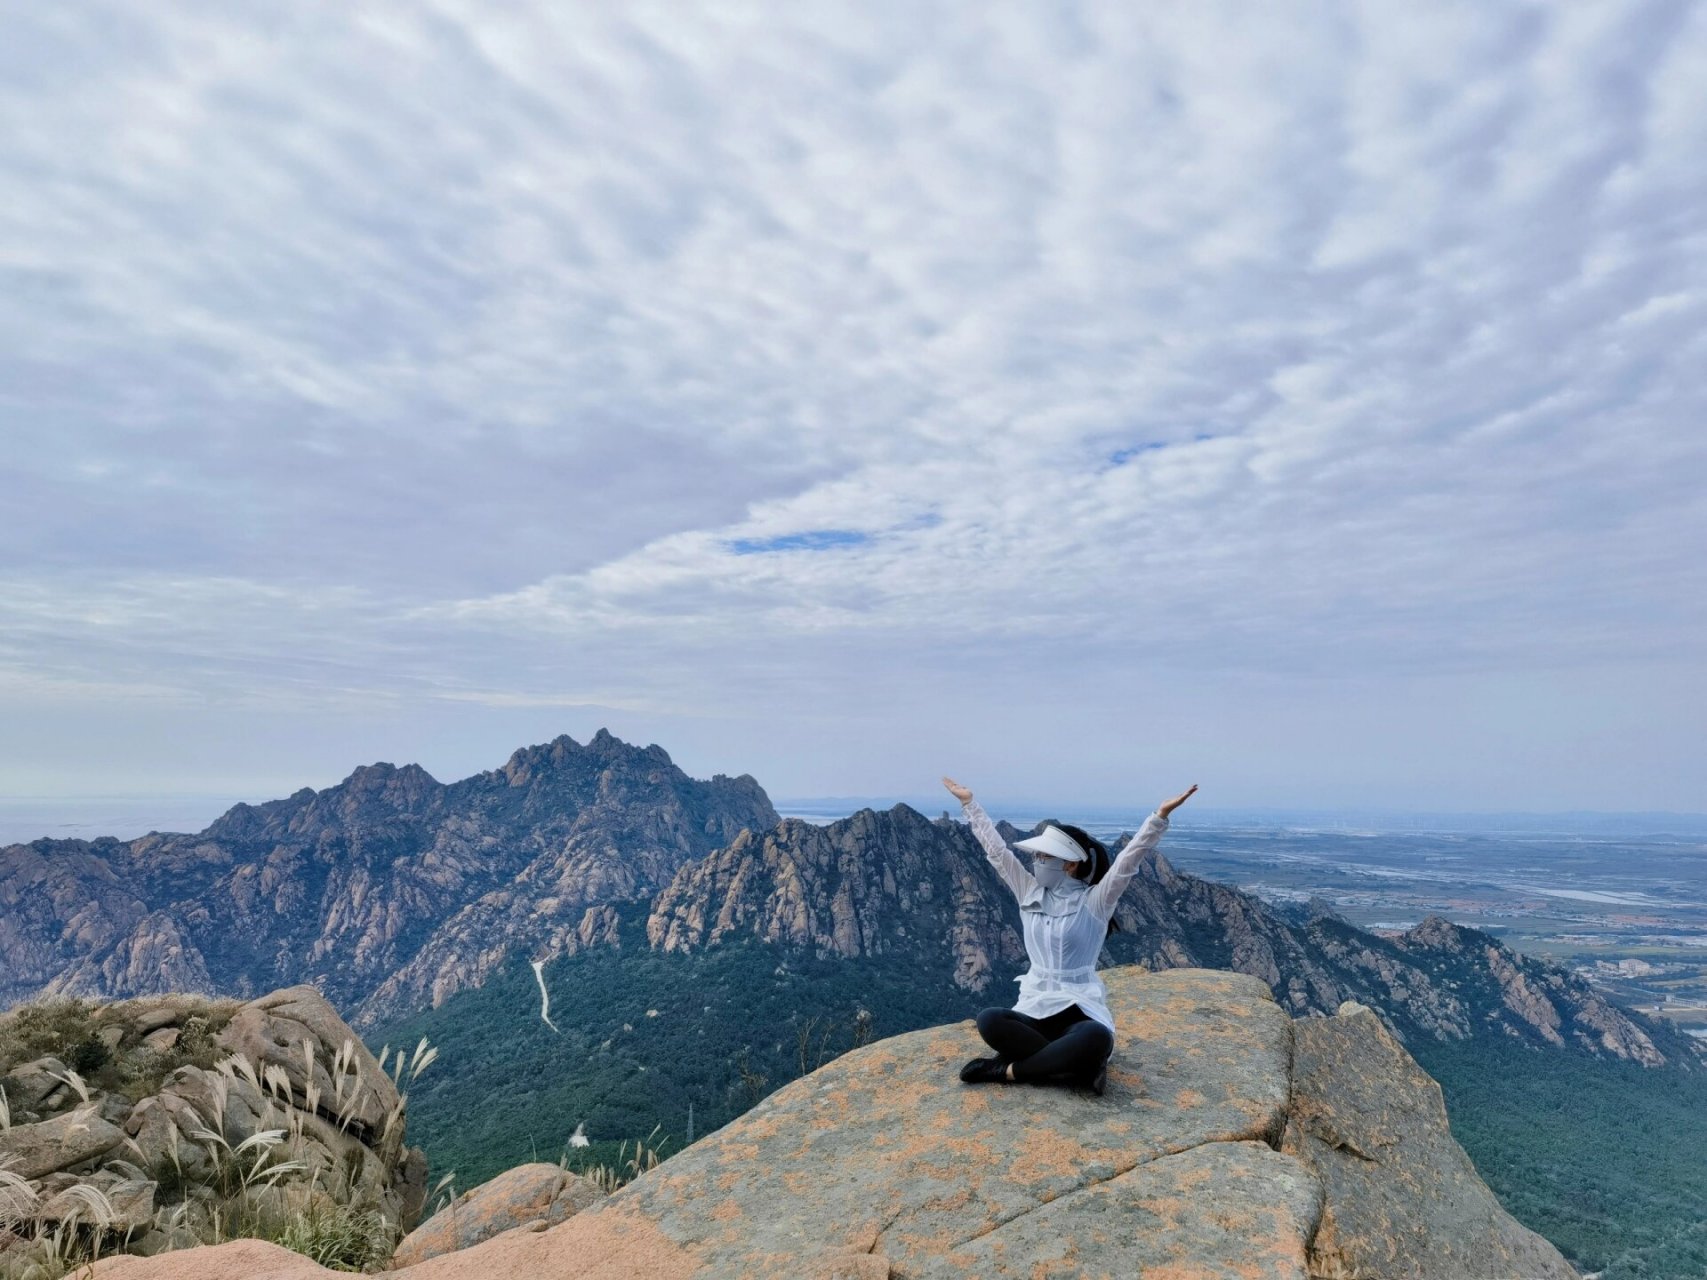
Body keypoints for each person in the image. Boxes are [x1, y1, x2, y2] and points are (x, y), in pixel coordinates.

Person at [941, 775, 1197, 1095]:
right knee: (989, 1020)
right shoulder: (1029, 893)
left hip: (1079, 1009)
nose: (1037, 862)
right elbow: (997, 853)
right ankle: (1073, 1065)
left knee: (1096, 1038)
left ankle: (1009, 1070)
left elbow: (1128, 862)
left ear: (1071, 865)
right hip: (1035, 1006)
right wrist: (969, 804)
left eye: (1044, 857)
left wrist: (1158, 818)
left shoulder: (1094, 902)